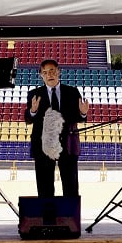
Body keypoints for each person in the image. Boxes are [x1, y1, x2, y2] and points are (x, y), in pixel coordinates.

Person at [24, 59, 89, 197]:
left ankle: (70, 219)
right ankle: (47, 219)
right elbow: (28, 119)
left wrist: (83, 113)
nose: (49, 75)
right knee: (44, 189)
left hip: (68, 145)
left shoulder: (72, 92)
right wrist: (33, 111)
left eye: (52, 71)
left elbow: (79, 117)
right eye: (45, 72)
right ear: (41, 75)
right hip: (43, 147)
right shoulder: (34, 94)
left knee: (71, 188)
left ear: (58, 71)